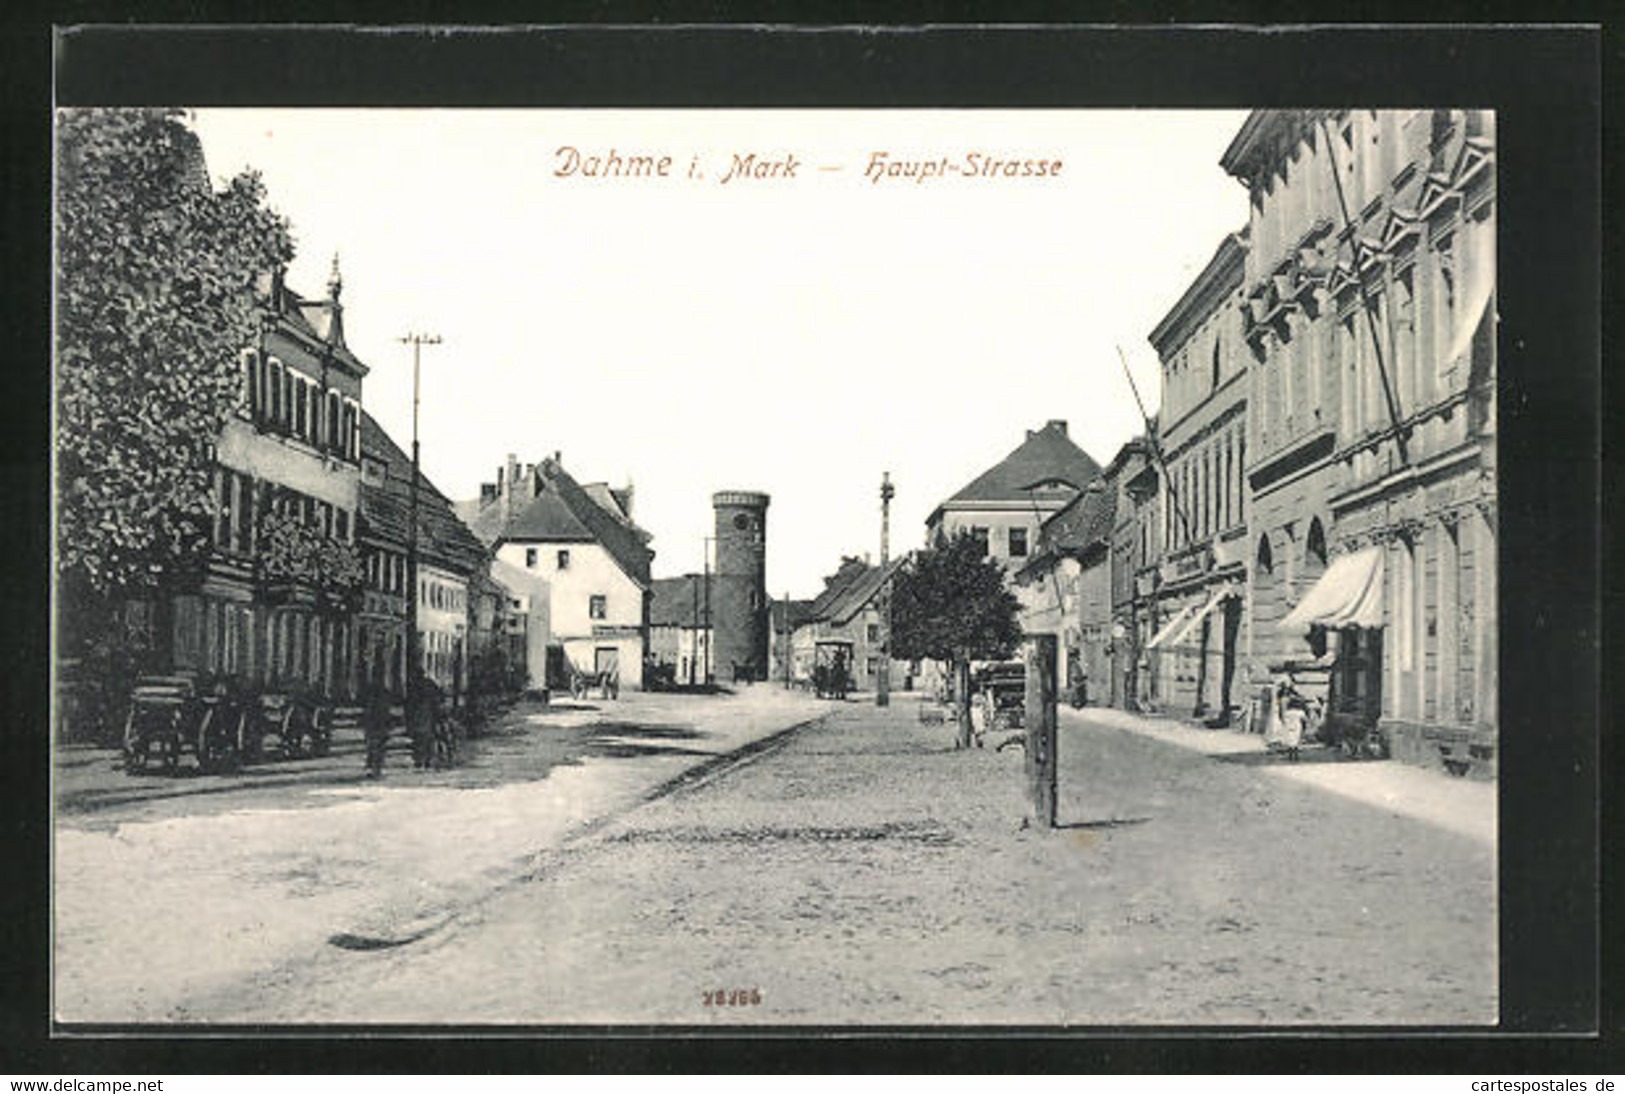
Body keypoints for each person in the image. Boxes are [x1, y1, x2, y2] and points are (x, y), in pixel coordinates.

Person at [361, 661, 390, 779]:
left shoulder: (369, 690)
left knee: (373, 745)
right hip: (380, 722)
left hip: (373, 722)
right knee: (379, 746)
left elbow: (365, 705)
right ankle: (376, 769)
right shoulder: (384, 691)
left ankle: (374, 768)